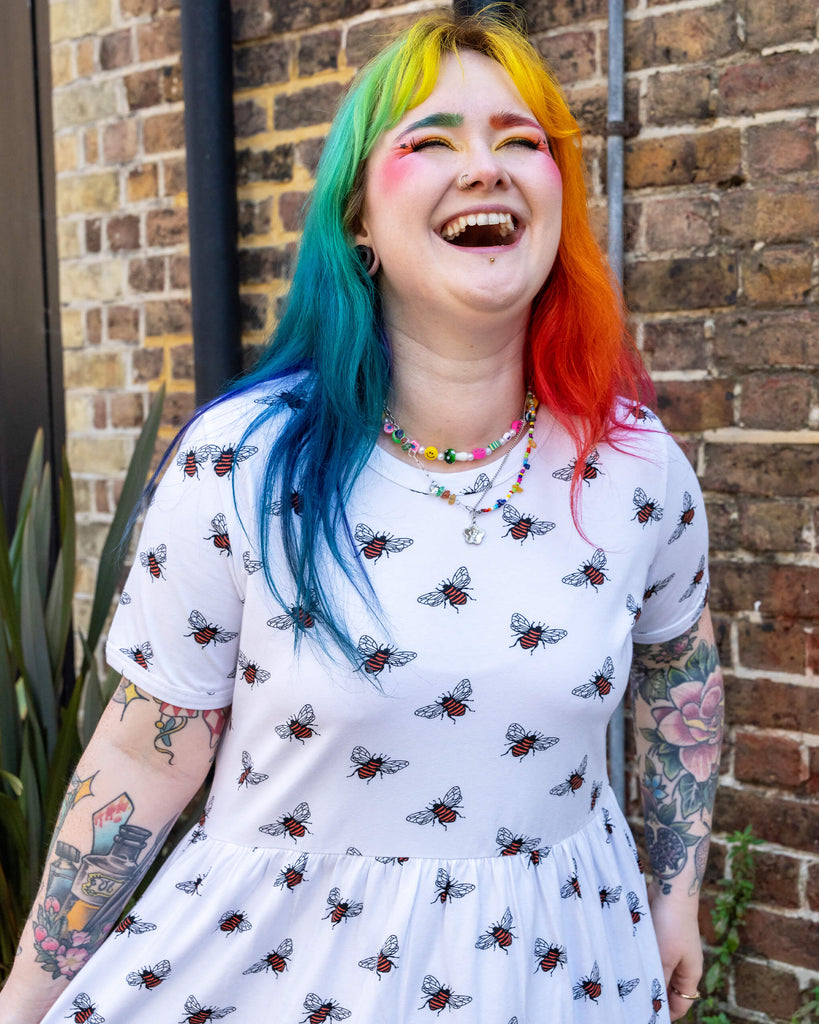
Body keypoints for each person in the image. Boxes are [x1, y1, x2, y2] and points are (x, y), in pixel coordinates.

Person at [0, 9, 723, 1023]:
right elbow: (140, 752)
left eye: (522, 142)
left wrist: (673, 893)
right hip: (289, 977)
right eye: (431, 142)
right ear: (357, 223)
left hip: (562, 971)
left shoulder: (637, 468)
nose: (486, 167)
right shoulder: (243, 466)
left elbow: (680, 674)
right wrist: (22, 1001)